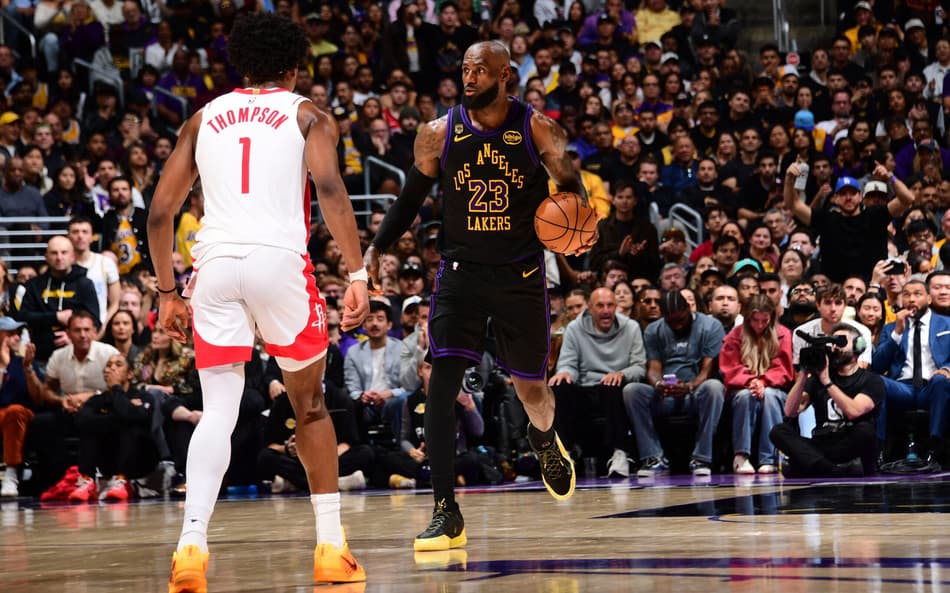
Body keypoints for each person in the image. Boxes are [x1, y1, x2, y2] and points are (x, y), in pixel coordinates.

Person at [146, 13, 370, 591]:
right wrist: (358, 273)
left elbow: (159, 213)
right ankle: (330, 549)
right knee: (311, 406)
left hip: (213, 266)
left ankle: (190, 548)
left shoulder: (203, 116)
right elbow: (328, 189)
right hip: (279, 264)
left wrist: (168, 293)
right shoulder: (308, 114)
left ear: (241, 65)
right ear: (296, 66)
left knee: (218, 409)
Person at [364, 40, 591, 552]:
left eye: (481, 69)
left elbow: (572, 190)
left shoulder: (536, 128)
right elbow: (410, 201)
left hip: (520, 274)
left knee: (532, 391)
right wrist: (377, 246)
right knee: (439, 389)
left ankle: (543, 438)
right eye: (465, 69)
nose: (469, 77)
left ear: (506, 75)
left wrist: (578, 228)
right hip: (460, 275)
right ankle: (446, 510)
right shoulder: (438, 134)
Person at [623, 290, 726, 478]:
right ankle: (654, 457)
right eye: (671, 321)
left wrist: (689, 387)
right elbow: (653, 369)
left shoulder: (710, 326)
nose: (677, 326)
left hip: (696, 393)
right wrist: (658, 384)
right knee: (632, 390)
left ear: (689, 308)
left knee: (714, 387)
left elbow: (707, 371)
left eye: (681, 319)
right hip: (665, 395)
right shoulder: (654, 330)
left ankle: (702, 457)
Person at [548, 287, 646, 478]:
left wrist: (621, 373)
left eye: (610, 305)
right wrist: (565, 373)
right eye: (600, 306)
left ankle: (619, 454)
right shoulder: (575, 328)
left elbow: (639, 367)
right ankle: (565, 454)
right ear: (590, 308)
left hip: (613, 388)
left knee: (612, 386)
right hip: (584, 388)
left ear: (616, 307)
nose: (606, 310)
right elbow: (568, 363)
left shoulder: (631, 327)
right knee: (559, 385)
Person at [771, 323, 883, 477]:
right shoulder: (818, 379)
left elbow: (854, 411)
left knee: (866, 430)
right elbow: (790, 411)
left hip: (850, 443)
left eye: (841, 342)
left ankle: (812, 466)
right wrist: (803, 375)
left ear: (859, 346)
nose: (835, 348)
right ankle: (832, 470)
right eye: (833, 343)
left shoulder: (871, 380)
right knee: (778, 431)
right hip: (823, 443)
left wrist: (827, 382)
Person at [870, 279, 950, 464]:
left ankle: (934, 447)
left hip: (932, 384)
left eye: (917, 294)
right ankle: (879, 450)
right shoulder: (891, 328)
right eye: (906, 294)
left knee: (940, 382)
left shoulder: (946, 324)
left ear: (929, 299)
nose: (911, 299)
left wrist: (947, 369)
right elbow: (877, 365)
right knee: (876, 381)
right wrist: (897, 334)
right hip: (902, 387)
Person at [719, 295, 793, 475]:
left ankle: (770, 457)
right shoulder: (735, 335)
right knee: (746, 396)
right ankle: (741, 456)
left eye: (764, 321)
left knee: (770, 396)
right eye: (755, 320)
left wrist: (764, 381)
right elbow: (730, 367)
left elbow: (783, 368)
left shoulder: (783, 333)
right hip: (743, 388)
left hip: (773, 388)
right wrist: (750, 381)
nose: (760, 325)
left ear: (772, 318)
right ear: (747, 318)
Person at [0, 317, 37, 497]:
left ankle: (11, 474)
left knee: (14, 412)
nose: (16, 338)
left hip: (20, 414)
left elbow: (34, 397)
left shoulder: (23, 360)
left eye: (18, 334)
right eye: (11, 334)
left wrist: (21, 367)